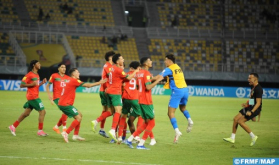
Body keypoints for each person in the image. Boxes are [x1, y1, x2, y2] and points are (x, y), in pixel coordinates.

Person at [59, 68, 107, 143]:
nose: (79, 74)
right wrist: (99, 82)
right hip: (65, 104)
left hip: (63, 103)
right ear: (73, 74)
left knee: (80, 115)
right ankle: (66, 133)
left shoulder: (68, 79)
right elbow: (88, 85)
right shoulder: (74, 80)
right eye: (77, 72)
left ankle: (76, 135)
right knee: (78, 118)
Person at [155, 54, 194, 143]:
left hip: (177, 91)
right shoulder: (178, 67)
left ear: (169, 60)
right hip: (185, 90)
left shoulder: (169, 68)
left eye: (165, 60)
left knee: (170, 113)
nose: (164, 62)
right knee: (182, 108)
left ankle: (177, 131)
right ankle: (189, 120)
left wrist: (149, 78)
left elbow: (159, 77)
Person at [125, 57, 162, 150]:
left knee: (146, 122)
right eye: (150, 61)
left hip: (140, 99)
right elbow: (148, 87)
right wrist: (157, 80)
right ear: (145, 64)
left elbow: (138, 86)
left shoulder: (138, 73)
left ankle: (129, 139)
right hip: (147, 101)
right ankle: (141, 144)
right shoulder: (146, 73)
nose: (151, 62)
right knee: (152, 123)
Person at [8, 60, 48, 136]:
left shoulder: (37, 74)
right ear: (33, 65)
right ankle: (40, 131)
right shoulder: (29, 75)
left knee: (26, 113)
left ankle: (13, 126)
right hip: (33, 97)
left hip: (34, 96)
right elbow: (21, 85)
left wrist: (41, 83)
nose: (40, 64)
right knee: (42, 112)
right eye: (38, 63)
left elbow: (35, 86)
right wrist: (31, 84)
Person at [105, 53, 139, 141]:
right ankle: (113, 130)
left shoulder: (111, 68)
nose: (123, 60)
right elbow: (128, 78)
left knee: (116, 113)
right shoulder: (119, 70)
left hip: (111, 91)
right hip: (116, 92)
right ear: (117, 61)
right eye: (121, 59)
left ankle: (119, 136)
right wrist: (136, 71)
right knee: (118, 111)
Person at [223, 73, 263, 146]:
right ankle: (232, 138)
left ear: (255, 79)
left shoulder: (258, 89)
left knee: (240, 121)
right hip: (250, 107)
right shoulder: (252, 87)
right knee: (235, 119)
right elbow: (251, 99)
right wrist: (247, 104)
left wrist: (251, 112)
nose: (248, 80)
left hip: (255, 109)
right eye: (248, 78)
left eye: (250, 78)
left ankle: (253, 137)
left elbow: (258, 103)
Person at [116, 61, 143, 143]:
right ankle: (137, 136)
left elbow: (121, 85)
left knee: (123, 116)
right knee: (140, 116)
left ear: (130, 67)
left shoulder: (126, 74)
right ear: (138, 67)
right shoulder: (139, 75)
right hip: (135, 98)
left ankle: (120, 136)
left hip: (126, 98)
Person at [91, 51, 115, 138]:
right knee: (112, 111)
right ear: (110, 57)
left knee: (105, 110)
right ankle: (97, 121)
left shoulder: (107, 65)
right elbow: (112, 75)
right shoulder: (108, 66)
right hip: (106, 90)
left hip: (103, 89)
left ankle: (102, 129)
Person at [46, 63, 70, 134]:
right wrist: (50, 97)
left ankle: (56, 127)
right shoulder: (54, 76)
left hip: (65, 97)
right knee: (65, 111)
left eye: (65, 67)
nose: (64, 69)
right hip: (57, 97)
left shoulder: (67, 77)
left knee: (66, 112)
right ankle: (64, 128)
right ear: (58, 68)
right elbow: (47, 86)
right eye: (62, 67)